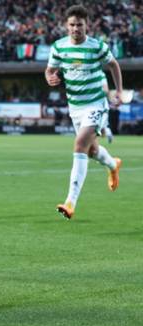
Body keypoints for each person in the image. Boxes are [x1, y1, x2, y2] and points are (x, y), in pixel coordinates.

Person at [45, 5, 123, 220]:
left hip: (96, 104)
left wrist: (117, 91)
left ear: (87, 25)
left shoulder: (97, 46)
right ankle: (112, 163)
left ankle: (70, 202)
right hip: (75, 107)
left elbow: (114, 65)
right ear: (66, 26)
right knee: (91, 151)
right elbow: (50, 70)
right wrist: (49, 77)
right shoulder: (59, 47)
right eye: (72, 25)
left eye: (79, 25)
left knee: (79, 145)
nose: (76, 29)